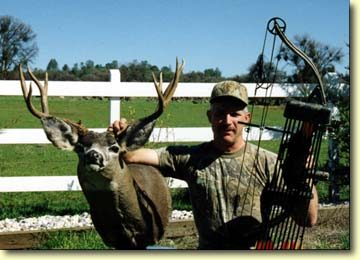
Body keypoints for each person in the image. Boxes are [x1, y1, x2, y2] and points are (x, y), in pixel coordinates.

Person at [109, 81, 318, 249]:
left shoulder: (267, 162)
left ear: (247, 118)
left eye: (235, 114)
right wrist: (122, 138)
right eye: (220, 113)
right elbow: (130, 157)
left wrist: (305, 173)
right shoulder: (191, 157)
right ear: (210, 117)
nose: (227, 121)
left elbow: (308, 219)